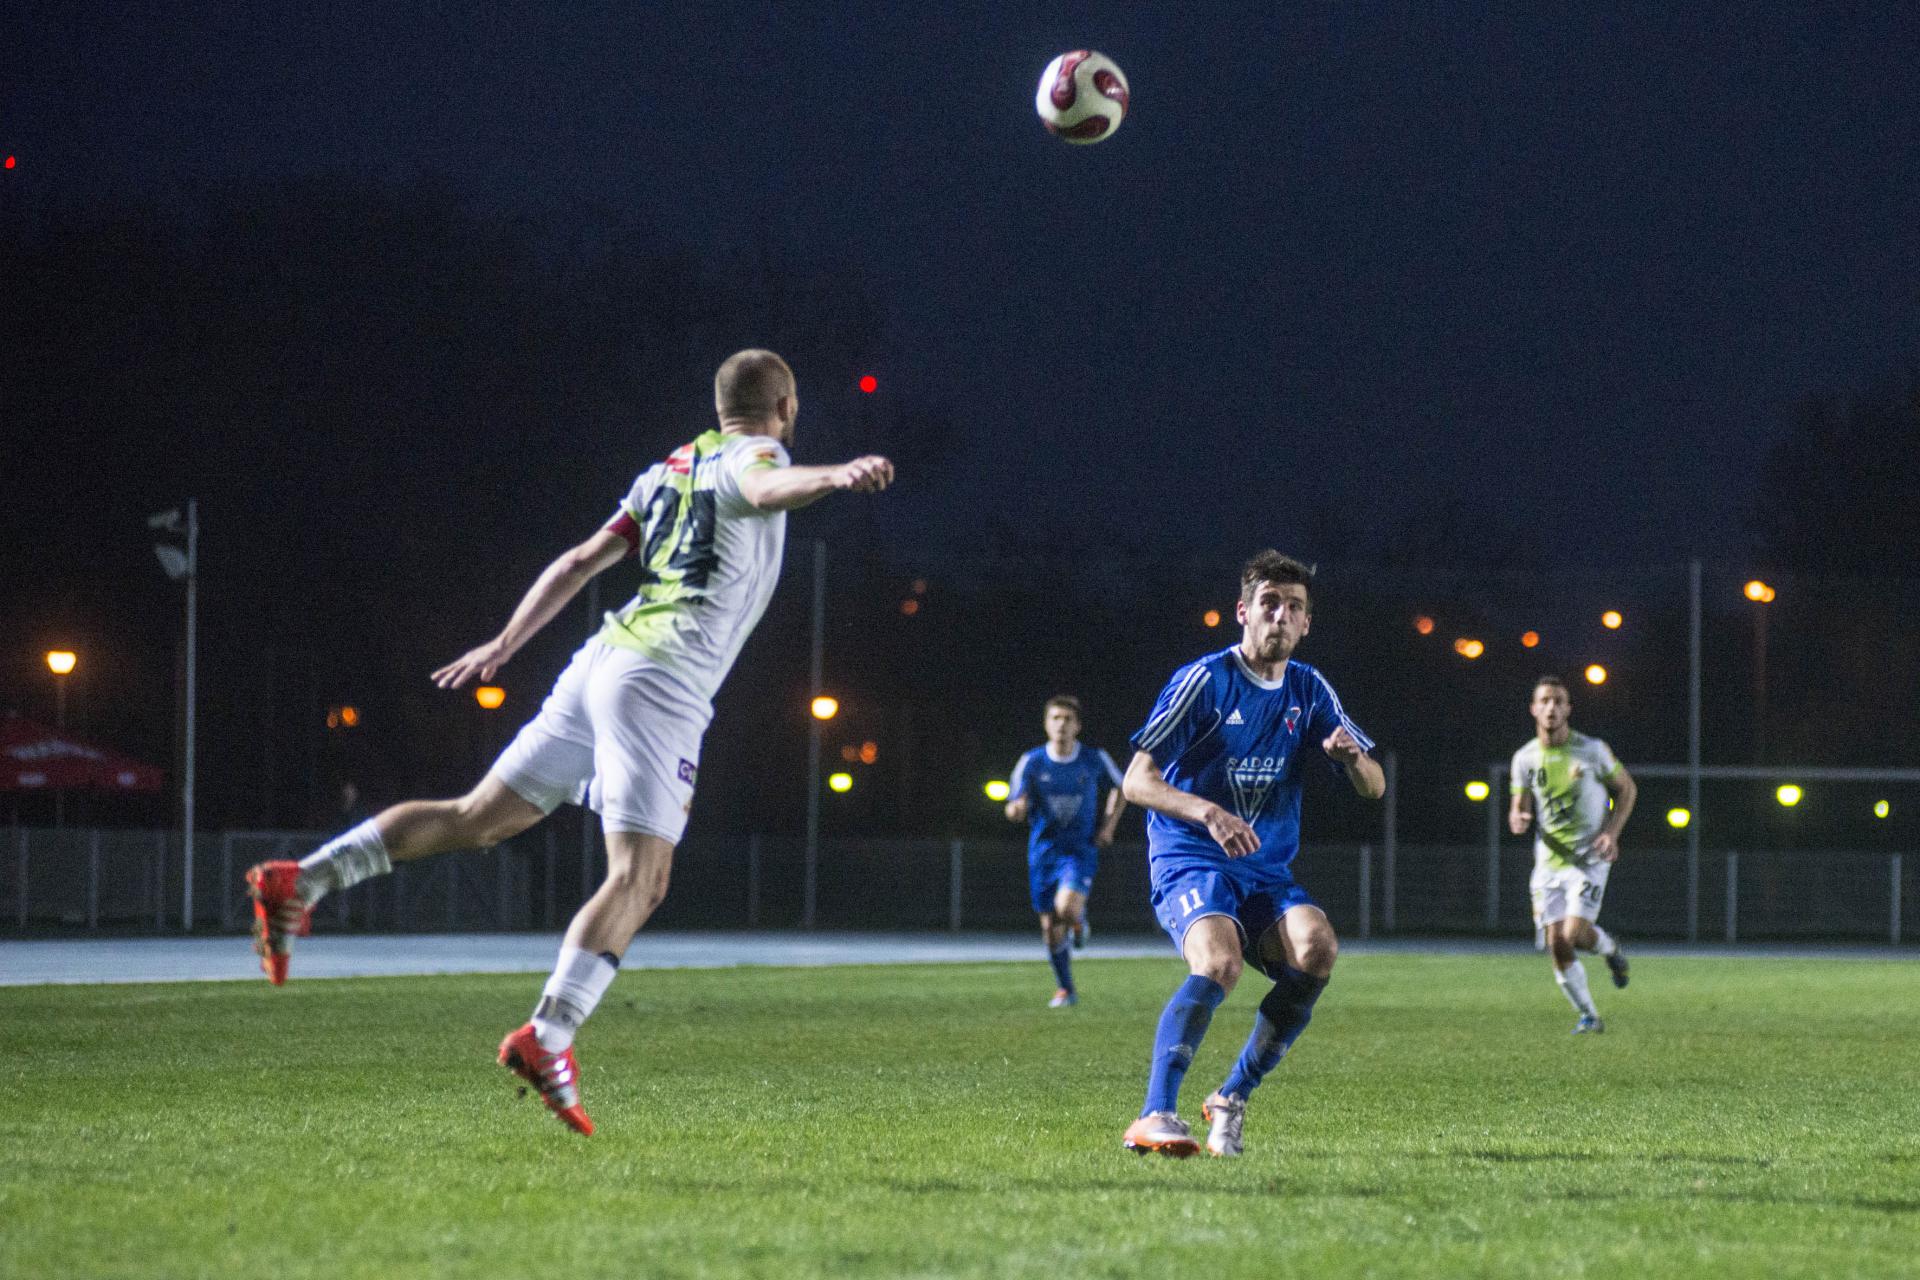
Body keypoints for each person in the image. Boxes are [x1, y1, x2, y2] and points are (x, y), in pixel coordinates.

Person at [244, 350, 893, 1135]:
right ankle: (547, 1036)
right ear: (784, 407)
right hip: (662, 678)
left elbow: (582, 560)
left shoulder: (665, 472)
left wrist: (506, 641)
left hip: (601, 661)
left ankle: (304, 879)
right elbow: (763, 486)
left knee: (479, 816)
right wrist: (835, 476)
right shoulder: (756, 454)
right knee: (641, 877)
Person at [1118, 551, 1384, 1158]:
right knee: (1220, 963)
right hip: (1191, 856)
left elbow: (1374, 787)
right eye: (1269, 603)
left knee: (1317, 948)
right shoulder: (1205, 681)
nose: (1280, 616)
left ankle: (1231, 1097)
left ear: (1307, 623)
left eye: (1294, 607)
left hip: (1263, 869)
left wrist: (1352, 761)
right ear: (1243, 611)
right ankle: (1154, 1114)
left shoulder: (1309, 689)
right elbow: (1137, 781)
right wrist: (1209, 813)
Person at [1508, 675, 1636, 1033]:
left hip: (1589, 858)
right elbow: (1519, 806)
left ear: (1568, 709)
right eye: (1544, 701)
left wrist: (1612, 833)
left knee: (1571, 934)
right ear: (1533, 709)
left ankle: (1608, 950)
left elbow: (1627, 789)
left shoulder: (1592, 750)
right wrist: (1517, 817)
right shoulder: (1524, 758)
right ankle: (1591, 1014)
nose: (1551, 707)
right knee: (1557, 943)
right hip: (1549, 861)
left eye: (1558, 701)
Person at [1004, 695, 1126, 1007]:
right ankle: (1066, 989)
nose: (1061, 724)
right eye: (1055, 718)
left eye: (1067, 719)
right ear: (1046, 724)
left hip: (1079, 850)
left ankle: (1078, 920)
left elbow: (1123, 787)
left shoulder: (1093, 758)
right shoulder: (1031, 761)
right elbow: (1014, 803)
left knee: (1067, 909)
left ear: (1078, 726)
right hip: (1043, 853)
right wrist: (1016, 810)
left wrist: (1108, 826)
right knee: (1049, 926)